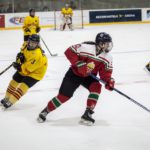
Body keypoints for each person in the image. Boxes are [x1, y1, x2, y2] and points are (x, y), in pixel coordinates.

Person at [37, 32, 115, 125]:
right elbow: (69, 51)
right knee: (64, 96)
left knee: (96, 87)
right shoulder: (85, 47)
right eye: (106, 44)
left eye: (108, 44)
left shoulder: (108, 57)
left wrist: (108, 81)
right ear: (99, 43)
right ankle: (46, 111)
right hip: (74, 74)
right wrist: (78, 64)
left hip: (88, 76)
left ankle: (88, 113)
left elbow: (105, 73)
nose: (108, 46)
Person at [0, 34, 48, 109]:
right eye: (31, 42)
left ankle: (11, 101)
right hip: (27, 66)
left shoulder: (37, 55)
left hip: (37, 73)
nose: (32, 44)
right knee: (14, 81)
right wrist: (19, 58)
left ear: (38, 44)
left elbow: (27, 70)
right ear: (28, 41)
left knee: (23, 85)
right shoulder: (25, 44)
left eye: (34, 43)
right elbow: (22, 53)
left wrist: (19, 67)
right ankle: (7, 98)